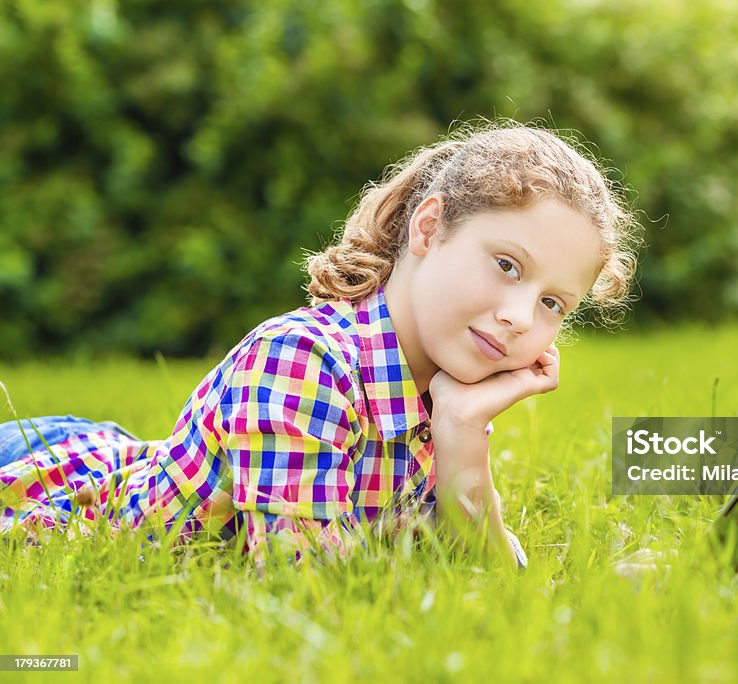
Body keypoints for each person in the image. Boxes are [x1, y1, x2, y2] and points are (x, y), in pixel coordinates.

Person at [0, 121, 641, 570]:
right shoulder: (302, 362)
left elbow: (494, 584)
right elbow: (299, 582)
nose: (517, 316)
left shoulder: (444, 390)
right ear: (428, 228)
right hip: (56, 475)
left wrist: (461, 434)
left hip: (119, 449)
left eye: (552, 303)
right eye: (507, 265)